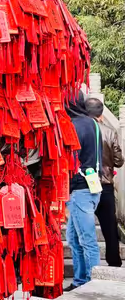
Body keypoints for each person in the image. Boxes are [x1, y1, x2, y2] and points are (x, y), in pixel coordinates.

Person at [66, 94, 103, 289]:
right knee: (73, 237)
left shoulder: (73, 126)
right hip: (92, 185)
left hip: (80, 189)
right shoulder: (93, 123)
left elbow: (70, 157)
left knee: (87, 239)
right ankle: (80, 280)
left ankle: (93, 284)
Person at [85, 96, 124, 267]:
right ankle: (114, 262)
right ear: (101, 113)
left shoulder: (82, 130)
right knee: (109, 227)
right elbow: (119, 160)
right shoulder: (109, 131)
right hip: (105, 184)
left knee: (83, 228)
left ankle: (88, 266)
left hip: (84, 185)